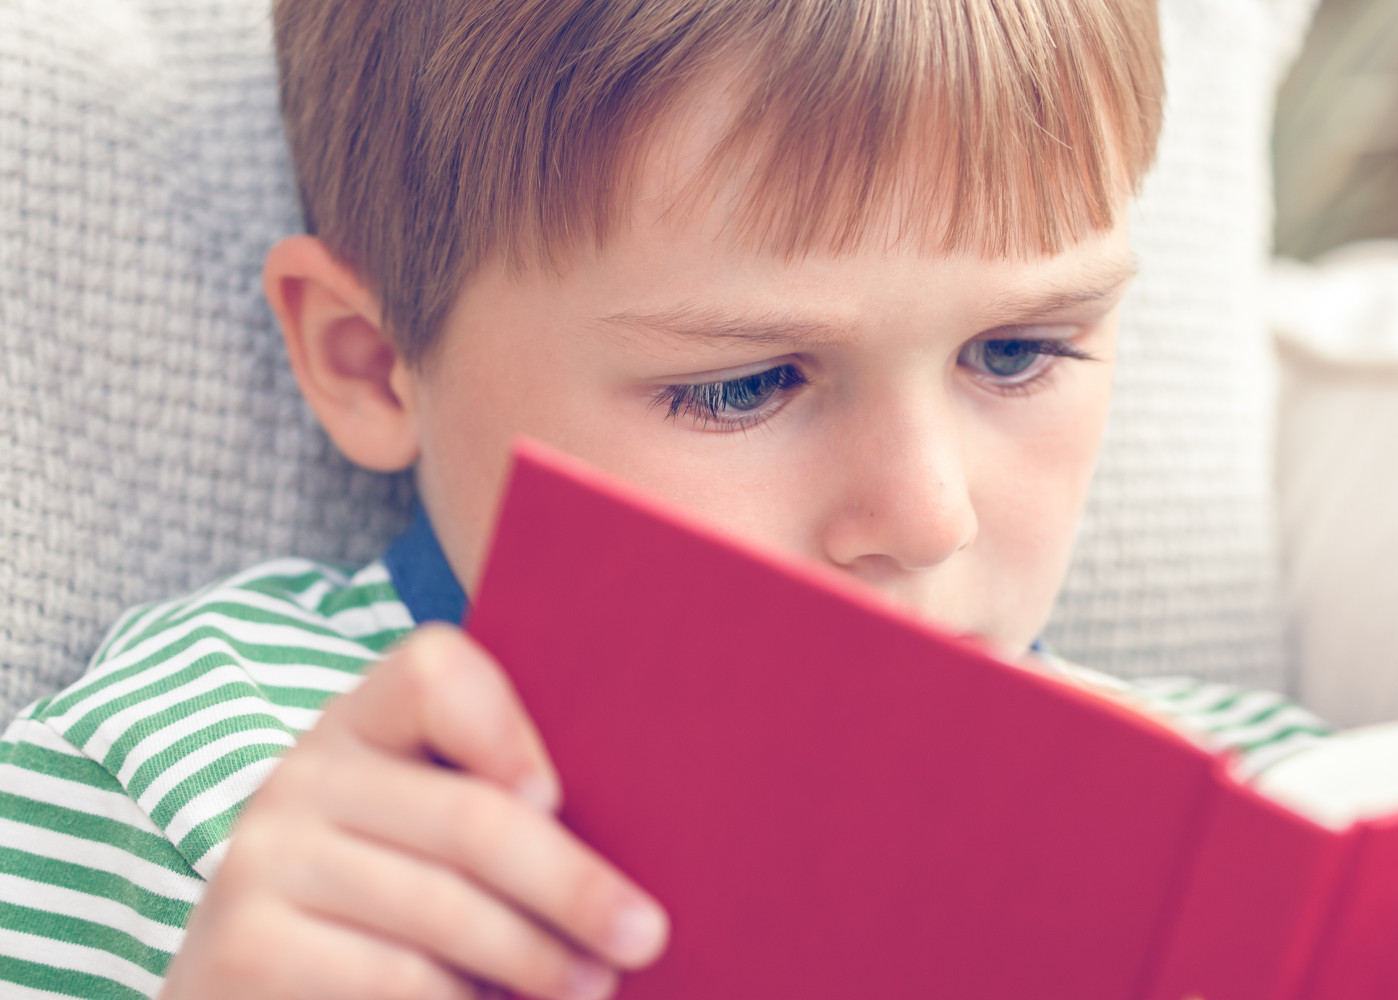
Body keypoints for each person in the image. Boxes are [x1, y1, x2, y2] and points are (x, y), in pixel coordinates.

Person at [0, 1, 1327, 997]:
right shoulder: (204, 771)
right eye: (746, 386)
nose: (930, 518)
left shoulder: (1274, 818)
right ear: (370, 360)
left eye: (1018, 353)